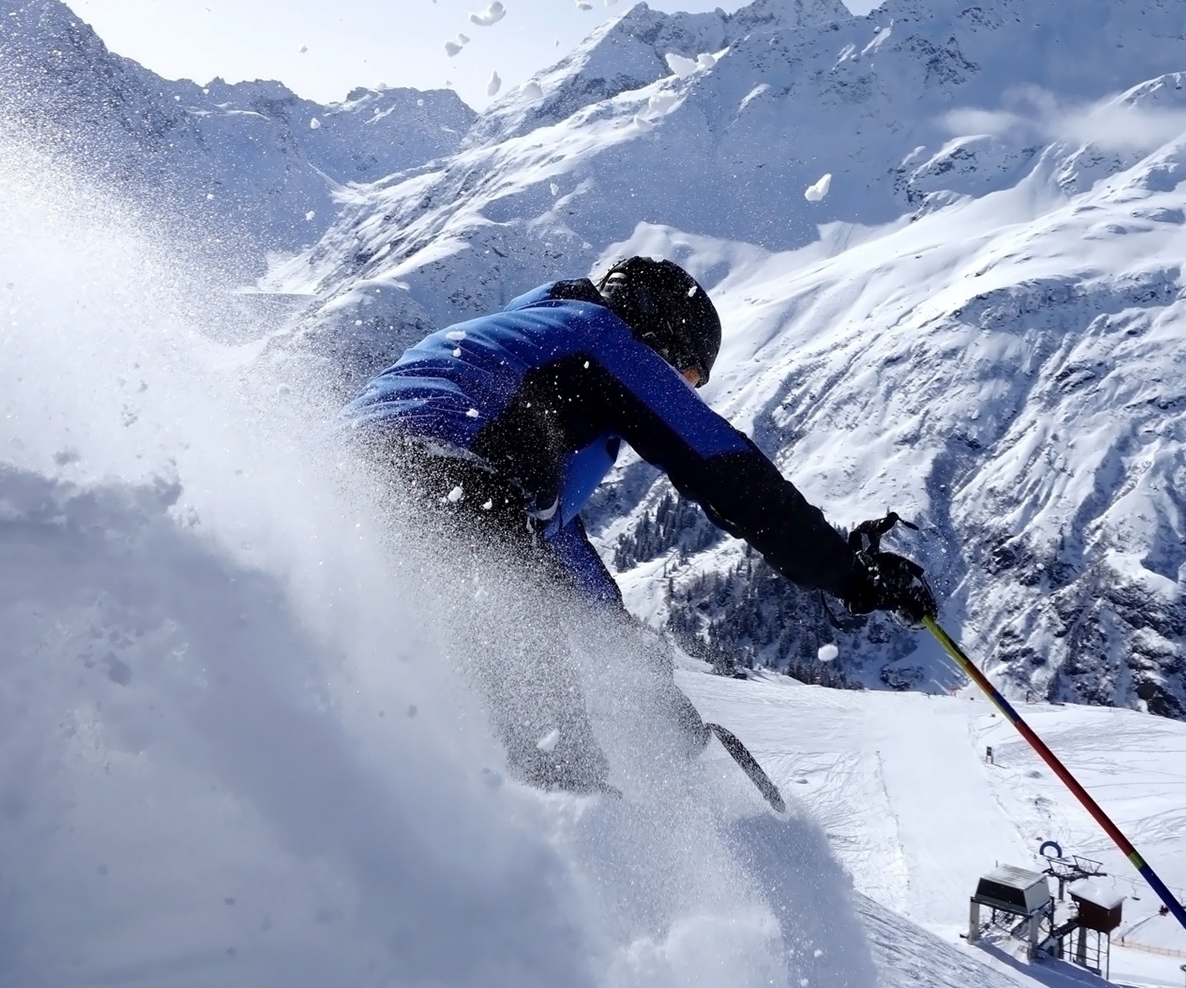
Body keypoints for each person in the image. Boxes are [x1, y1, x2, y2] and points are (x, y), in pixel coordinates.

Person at [344, 256, 935, 794]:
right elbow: (721, 464)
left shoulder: (524, 352)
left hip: (346, 489)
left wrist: (644, 681)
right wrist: (849, 573)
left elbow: (563, 562)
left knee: (419, 696)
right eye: (687, 376)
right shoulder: (599, 336)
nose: (680, 392)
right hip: (444, 485)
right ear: (657, 333)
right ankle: (559, 851)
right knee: (549, 744)